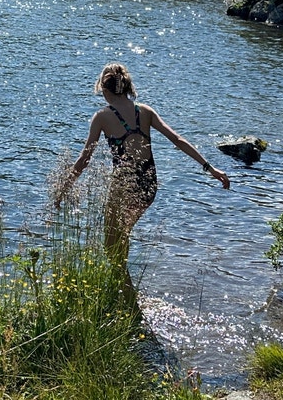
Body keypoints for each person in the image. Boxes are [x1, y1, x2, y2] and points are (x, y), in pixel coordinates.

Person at [55, 61, 231, 265]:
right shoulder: (145, 111)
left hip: (124, 184)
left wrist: (64, 188)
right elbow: (177, 139)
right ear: (128, 87)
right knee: (122, 235)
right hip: (148, 184)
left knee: (111, 243)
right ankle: (124, 291)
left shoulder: (102, 116)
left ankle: (125, 291)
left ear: (103, 87)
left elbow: (84, 159)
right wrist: (210, 168)